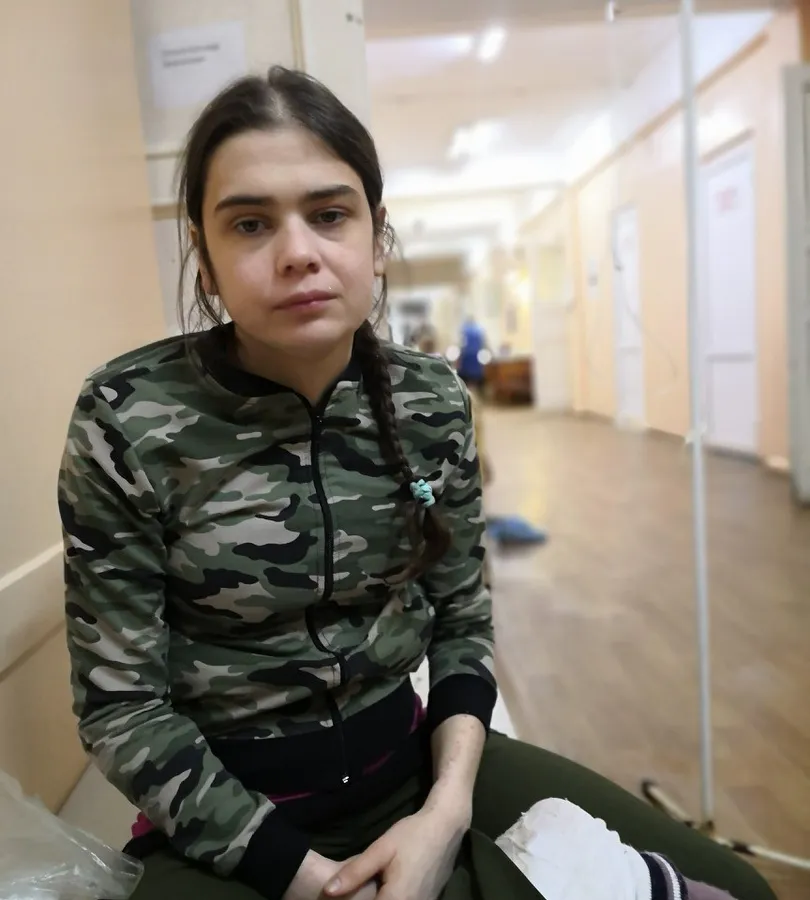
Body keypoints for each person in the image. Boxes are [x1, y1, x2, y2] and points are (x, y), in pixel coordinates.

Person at [58, 67, 775, 900]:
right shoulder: (127, 417)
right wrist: (308, 878)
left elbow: (463, 619)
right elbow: (122, 706)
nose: (298, 253)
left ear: (377, 238)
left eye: (330, 215)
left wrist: (446, 812)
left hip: (421, 772)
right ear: (206, 260)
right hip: (227, 821)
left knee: (738, 891)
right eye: (250, 224)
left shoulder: (430, 399)